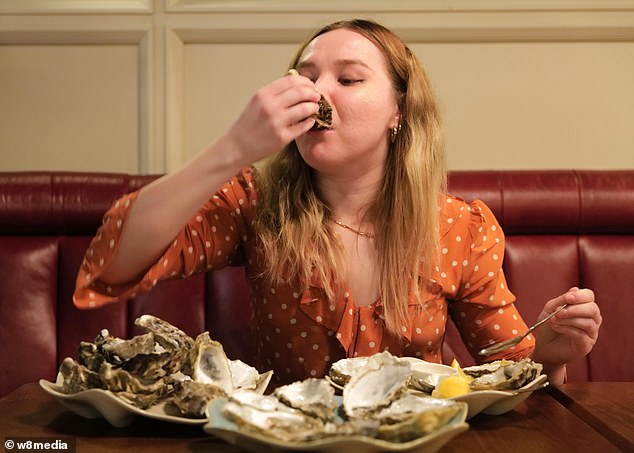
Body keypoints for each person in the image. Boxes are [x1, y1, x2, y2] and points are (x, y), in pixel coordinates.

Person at [73, 19, 601, 386]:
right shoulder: (256, 205)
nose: (317, 93)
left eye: (348, 79)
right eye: (305, 77)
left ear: (399, 111)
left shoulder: (460, 228)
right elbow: (113, 259)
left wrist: (552, 352)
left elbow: (506, 369)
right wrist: (232, 148)